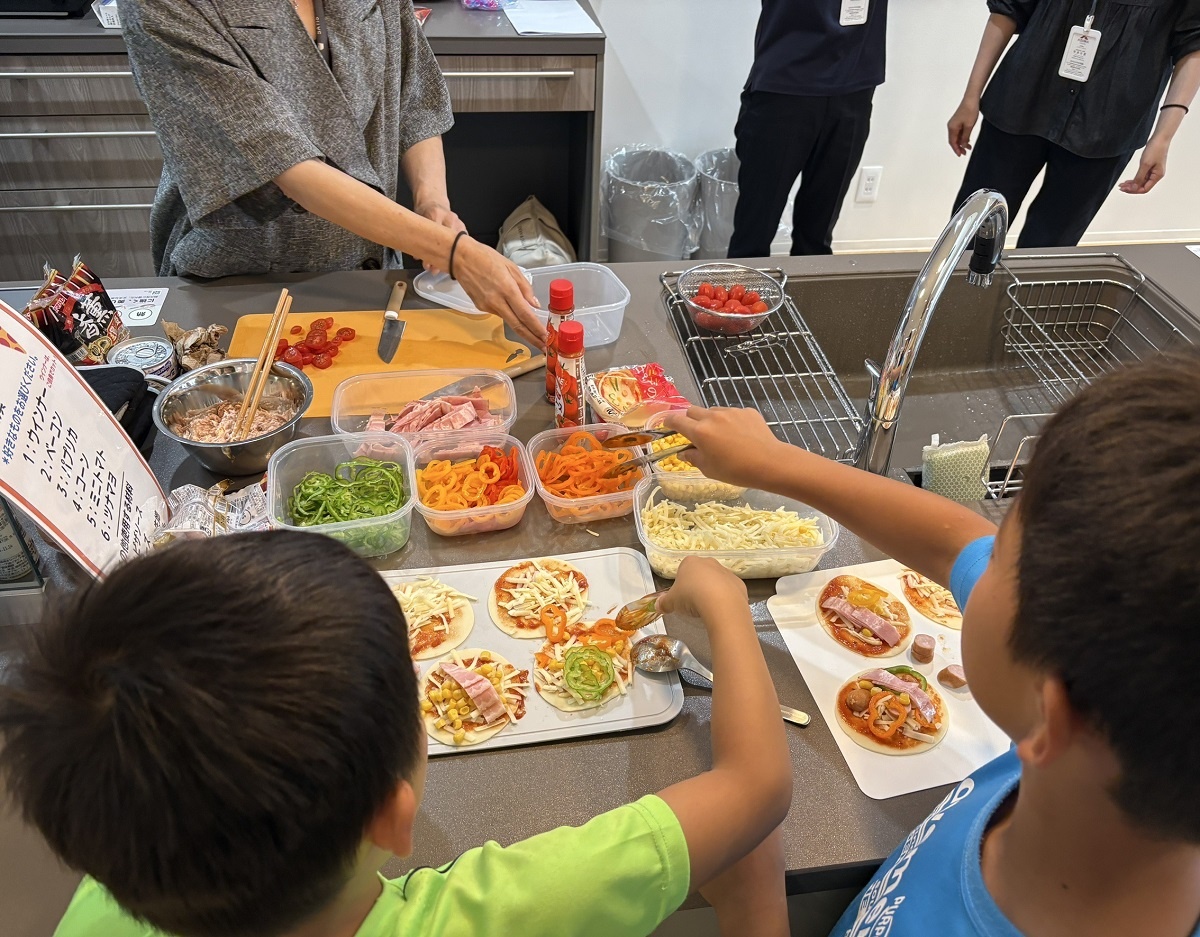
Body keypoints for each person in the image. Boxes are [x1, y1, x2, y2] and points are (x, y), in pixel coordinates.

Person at [0, 537, 792, 937]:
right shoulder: (492, 914)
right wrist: (722, 605)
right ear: (394, 816)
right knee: (752, 853)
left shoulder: (115, 874)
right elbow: (758, 785)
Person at [665, 352, 1200, 937]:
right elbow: (953, 543)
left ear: (1058, 716)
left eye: (998, 559)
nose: (979, 553)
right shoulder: (1116, 761)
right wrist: (776, 464)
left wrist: (753, 905)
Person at [117, 0, 544, 348]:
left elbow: (412, 95)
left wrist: (433, 203)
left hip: (368, 273)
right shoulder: (166, 6)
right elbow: (284, 162)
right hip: (241, 286)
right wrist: (455, 252)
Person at [947, 1, 1200, 248]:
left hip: (1109, 124)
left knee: (1048, 250)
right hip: (1021, 98)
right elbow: (1009, 8)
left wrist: (1163, 137)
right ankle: (956, 291)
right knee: (972, 234)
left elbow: (1193, 42)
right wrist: (971, 96)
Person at [728, 0, 889, 258]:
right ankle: (742, 297)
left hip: (854, 85)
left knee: (816, 240)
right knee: (752, 239)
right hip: (784, 85)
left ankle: (808, 297)